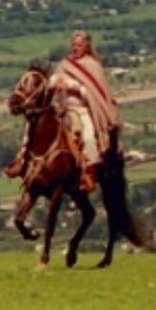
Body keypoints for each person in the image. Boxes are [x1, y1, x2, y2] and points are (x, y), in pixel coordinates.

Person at [48, 30, 121, 192]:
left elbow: (94, 93)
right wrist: (55, 83)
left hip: (83, 110)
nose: (75, 48)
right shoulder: (64, 64)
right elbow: (53, 80)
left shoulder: (93, 66)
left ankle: (89, 173)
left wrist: (73, 86)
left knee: (88, 137)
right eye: (73, 45)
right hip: (63, 110)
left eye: (79, 45)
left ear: (86, 46)